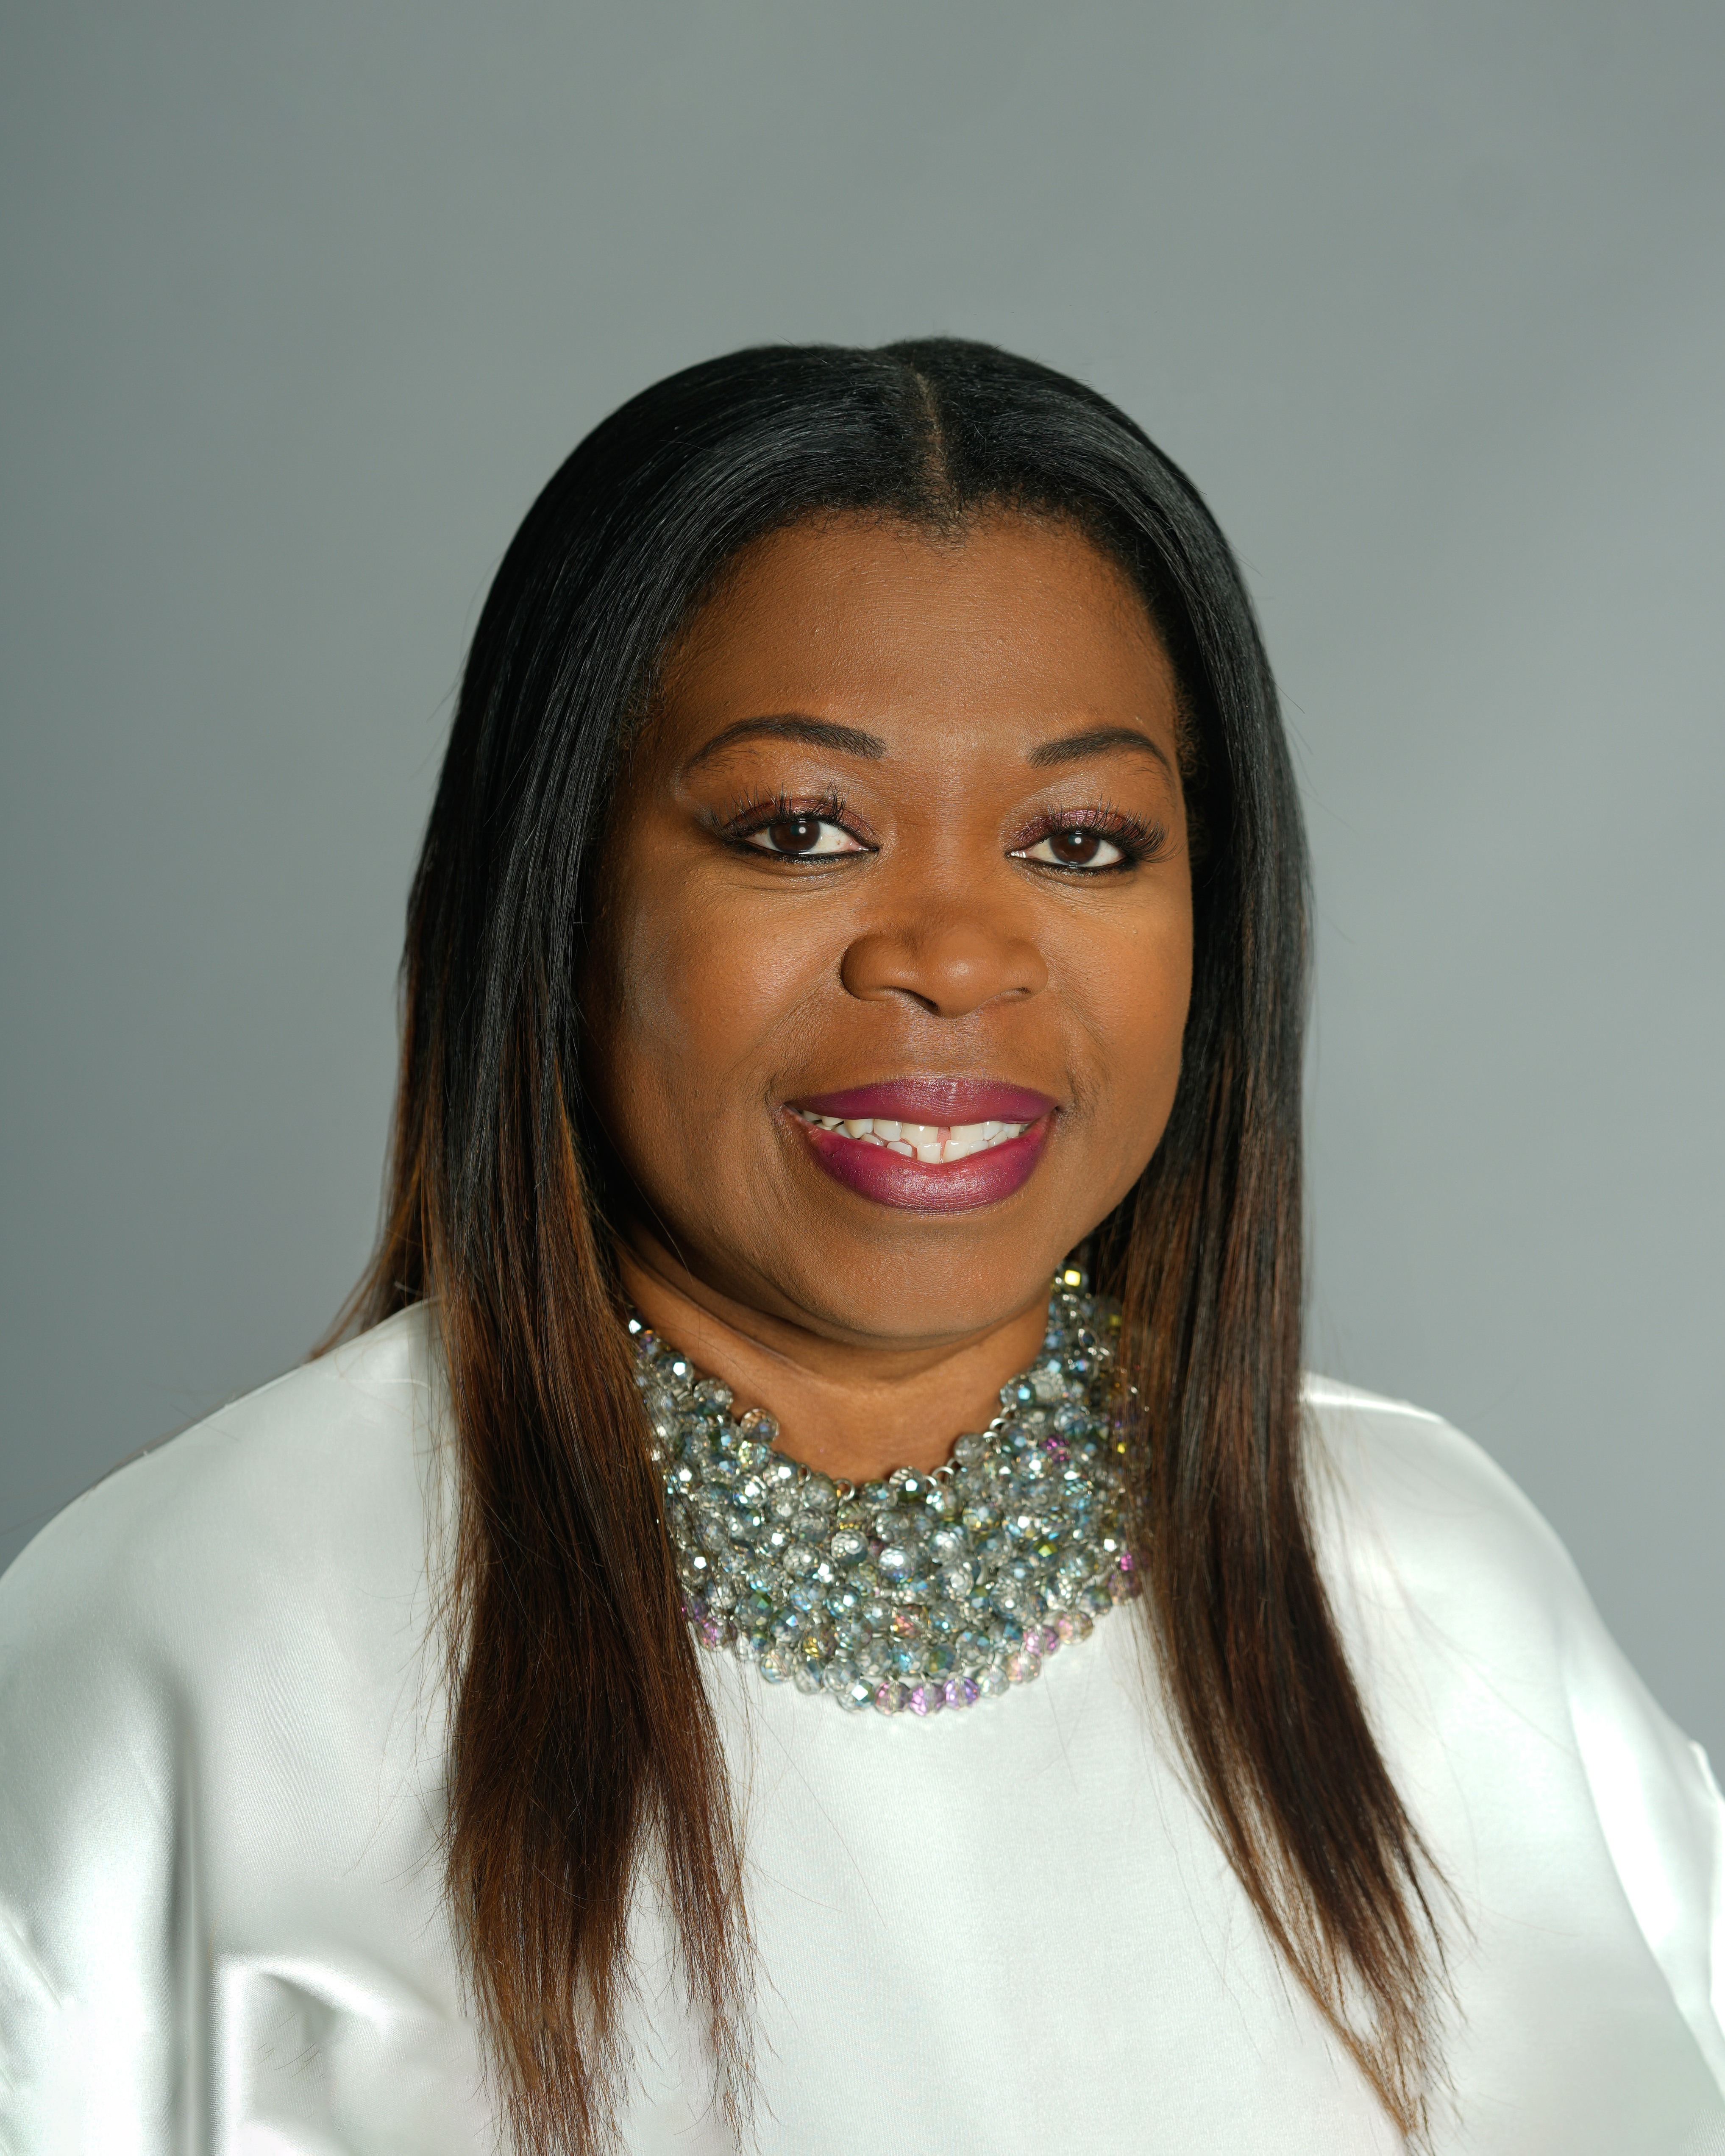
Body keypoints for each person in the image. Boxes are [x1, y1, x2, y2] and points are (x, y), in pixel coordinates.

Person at [1, 340, 1720, 2156]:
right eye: (800, 829)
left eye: (1080, 840)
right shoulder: (208, 1639)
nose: (957, 955)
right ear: (556, 895)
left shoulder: (1424, 1587)